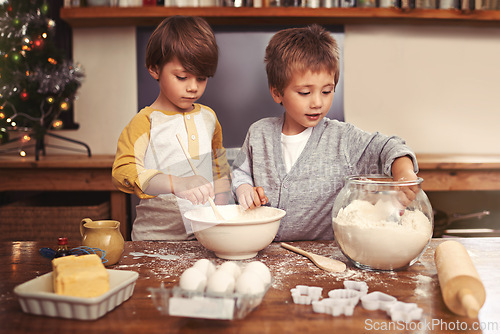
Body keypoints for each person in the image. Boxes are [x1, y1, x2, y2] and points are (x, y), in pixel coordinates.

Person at [231, 24, 419, 241]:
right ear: (277, 92)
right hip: (264, 251)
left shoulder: (342, 139)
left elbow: (389, 147)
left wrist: (404, 173)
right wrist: (245, 189)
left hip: (323, 257)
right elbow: (240, 172)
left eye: (327, 91)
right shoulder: (259, 133)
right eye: (304, 92)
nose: (317, 102)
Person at [112, 16, 231, 241]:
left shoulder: (209, 118)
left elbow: (219, 164)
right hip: (154, 240)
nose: (193, 87)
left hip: (203, 239)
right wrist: (177, 183)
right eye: (182, 77)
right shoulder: (146, 121)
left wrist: (222, 203)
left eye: (202, 78)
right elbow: (122, 172)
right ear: (155, 69)